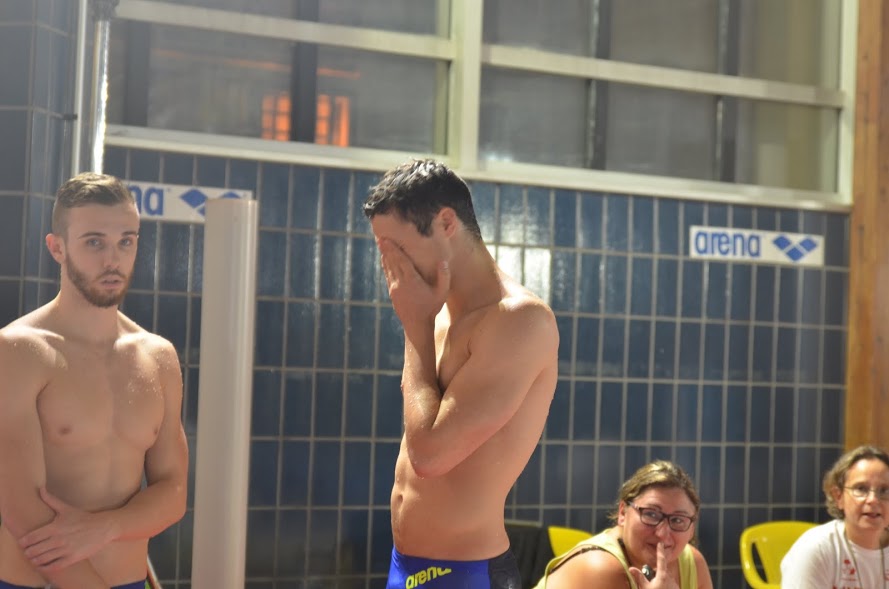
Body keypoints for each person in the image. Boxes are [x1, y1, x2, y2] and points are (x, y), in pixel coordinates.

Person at [363, 159, 559, 589]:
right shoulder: (437, 313)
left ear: (446, 223)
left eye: (398, 247)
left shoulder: (520, 321)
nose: (390, 265)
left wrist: (414, 325)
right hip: (404, 564)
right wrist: (421, 321)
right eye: (382, 249)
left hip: (465, 573)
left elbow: (430, 456)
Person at [0, 172, 189, 589]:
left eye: (126, 241)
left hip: (126, 580)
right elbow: (20, 509)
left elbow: (173, 492)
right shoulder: (18, 351)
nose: (113, 260)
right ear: (57, 248)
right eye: (94, 242)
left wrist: (106, 527)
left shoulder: (158, 357)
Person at [533, 460, 713, 589]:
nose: (662, 533)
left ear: (692, 528)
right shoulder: (601, 568)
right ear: (622, 513)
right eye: (651, 514)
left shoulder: (692, 563)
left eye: (678, 520)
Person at [780, 445, 889, 589]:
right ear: (839, 497)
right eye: (861, 489)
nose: (873, 500)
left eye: (885, 490)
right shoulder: (815, 549)